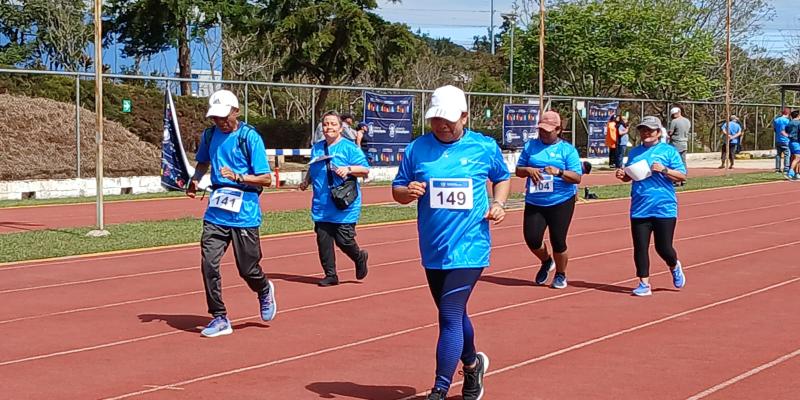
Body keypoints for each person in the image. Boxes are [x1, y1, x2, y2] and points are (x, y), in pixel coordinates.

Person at [392, 85, 510, 400]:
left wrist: (498, 204)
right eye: (435, 120)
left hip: (470, 245)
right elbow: (398, 189)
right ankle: (472, 365)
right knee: (455, 315)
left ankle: (440, 389)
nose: (441, 125)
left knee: (448, 313)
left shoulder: (483, 147)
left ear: (464, 116)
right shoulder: (417, 149)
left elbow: (502, 177)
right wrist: (408, 192)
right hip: (433, 247)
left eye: (447, 119)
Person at [186, 89, 277, 337]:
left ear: (236, 112)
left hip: (244, 211)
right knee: (209, 264)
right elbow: (203, 162)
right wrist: (195, 180)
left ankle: (263, 289)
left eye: (224, 117)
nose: (220, 122)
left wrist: (237, 176)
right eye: (215, 118)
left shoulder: (250, 138)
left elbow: (266, 179)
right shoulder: (209, 135)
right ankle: (219, 317)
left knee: (247, 269)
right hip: (216, 211)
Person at [615, 116, 687, 297]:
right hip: (639, 206)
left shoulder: (669, 151)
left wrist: (664, 170)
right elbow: (629, 176)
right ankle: (643, 283)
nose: (646, 133)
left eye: (650, 130)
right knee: (640, 247)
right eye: (643, 130)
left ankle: (674, 264)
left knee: (663, 247)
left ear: (658, 132)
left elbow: (682, 176)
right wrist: (623, 174)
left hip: (664, 206)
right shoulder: (634, 153)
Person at [299, 111, 370, 286]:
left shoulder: (349, 147)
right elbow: (313, 166)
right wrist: (306, 181)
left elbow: (365, 169)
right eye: (325, 124)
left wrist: (348, 169)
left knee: (344, 239)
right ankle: (330, 274)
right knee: (323, 240)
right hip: (321, 204)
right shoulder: (317, 147)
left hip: (343, 203)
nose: (329, 127)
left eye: (333, 124)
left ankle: (359, 257)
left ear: (340, 127)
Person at [516, 110, 582, 289]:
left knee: (558, 240)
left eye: (547, 130)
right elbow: (518, 170)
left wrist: (559, 172)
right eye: (541, 130)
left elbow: (577, 177)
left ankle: (561, 274)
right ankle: (546, 261)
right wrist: (528, 170)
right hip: (535, 201)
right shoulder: (530, 146)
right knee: (532, 239)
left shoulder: (567, 150)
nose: (543, 133)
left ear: (558, 130)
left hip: (561, 200)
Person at [774, 108, 791, 174]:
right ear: (788, 113)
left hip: (778, 139)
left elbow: (775, 129)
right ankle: (786, 168)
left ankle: (777, 168)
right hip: (786, 140)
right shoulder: (787, 121)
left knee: (778, 154)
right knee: (787, 154)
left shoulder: (776, 120)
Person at [785, 110, 800, 180]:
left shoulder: (789, 123)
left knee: (794, 157)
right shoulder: (798, 123)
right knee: (797, 158)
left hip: (791, 142)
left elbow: (786, 131)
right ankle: (790, 173)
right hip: (796, 142)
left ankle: (796, 173)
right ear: (798, 115)